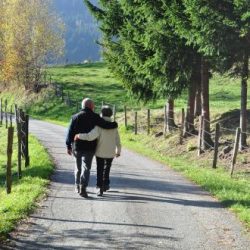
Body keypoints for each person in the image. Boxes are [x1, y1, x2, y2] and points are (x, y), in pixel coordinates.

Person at [66, 98, 117, 198]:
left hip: (77, 146)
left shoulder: (75, 117)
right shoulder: (95, 117)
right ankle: (83, 187)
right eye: (93, 106)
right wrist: (115, 124)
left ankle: (77, 185)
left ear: (83, 106)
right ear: (91, 106)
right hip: (90, 147)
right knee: (86, 168)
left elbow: (70, 133)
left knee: (77, 167)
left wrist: (68, 145)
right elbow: (105, 125)